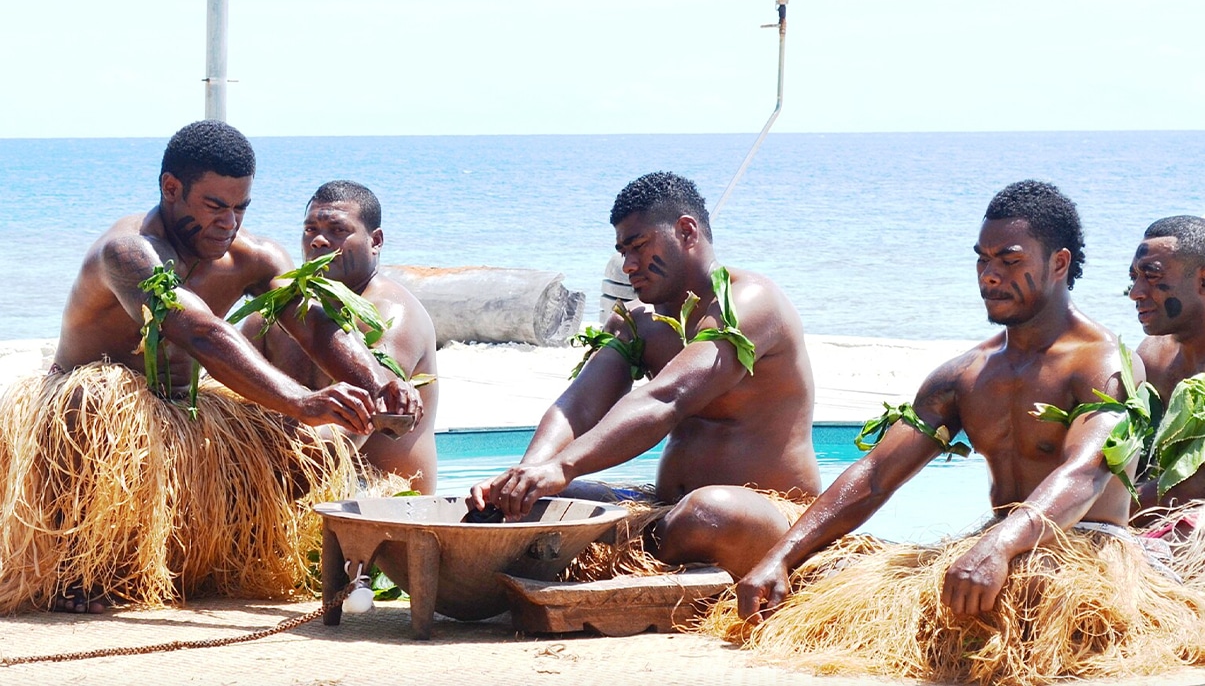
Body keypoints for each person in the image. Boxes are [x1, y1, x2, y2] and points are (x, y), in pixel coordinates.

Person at [702, 181, 1205, 684]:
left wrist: (1000, 546)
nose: (990, 276)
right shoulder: (964, 375)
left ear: (1058, 263)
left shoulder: (1104, 364)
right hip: (997, 548)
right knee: (851, 603)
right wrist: (780, 557)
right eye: (982, 261)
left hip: (1081, 557)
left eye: (1009, 261)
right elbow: (877, 474)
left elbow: (1084, 473)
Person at [0, 120, 421, 614]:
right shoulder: (129, 254)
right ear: (171, 189)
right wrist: (300, 400)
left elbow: (312, 323)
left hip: (186, 414)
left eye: (241, 208)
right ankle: (78, 564)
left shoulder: (256, 258)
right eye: (215, 207)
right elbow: (202, 333)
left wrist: (379, 383)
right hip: (89, 429)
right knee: (87, 400)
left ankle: (209, 558)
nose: (230, 224)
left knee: (311, 447)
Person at [469, 171, 821, 578]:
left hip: (768, 516)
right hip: (667, 512)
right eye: (622, 251)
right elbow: (578, 406)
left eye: (638, 246)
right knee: (549, 501)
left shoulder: (748, 304)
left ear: (686, 231)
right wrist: (524, 480)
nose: (628, 264)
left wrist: (563, 467)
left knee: (708, 513)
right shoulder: (637, 323)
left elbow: (667, 398)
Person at [244, 180, 439, 492]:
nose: (319, 240)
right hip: (292, 493)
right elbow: (233, 386)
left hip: (381, 504)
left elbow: (352, 431)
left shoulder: (389, 316)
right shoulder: (273, 315)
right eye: (310, 230)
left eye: (337, 230)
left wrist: (245, 453)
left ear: (375, 241)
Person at [1128, 216, 1205, 512]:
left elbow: (1192, 487)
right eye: (1134, 277)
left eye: (1153, 276)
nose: (1135, 292)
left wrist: (1106, 509)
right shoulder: (1151, 358)